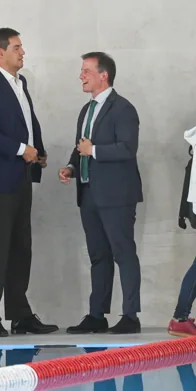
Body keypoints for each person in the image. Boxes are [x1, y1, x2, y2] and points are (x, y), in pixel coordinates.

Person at [0, 28, 58, 337]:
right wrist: (23, 150)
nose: (23, 52)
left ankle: (20, 315)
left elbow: (27, 123)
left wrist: (40, 152)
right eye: (17, 47)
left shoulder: (20, 83)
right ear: (0, 53)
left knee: (22, 246)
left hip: (20, 174)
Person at [58, 52, 143, 335]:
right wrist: (71, 166)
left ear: (103, 75)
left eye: (86, 71)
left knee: (123, 252)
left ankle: (130, 315)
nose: (81, 75)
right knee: (98, 255)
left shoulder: (123, 109)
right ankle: (97, 315)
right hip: (90, 193)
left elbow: (127, 148)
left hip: (117, 195)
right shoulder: (87, 110)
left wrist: (92, 151)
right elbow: (80, 146)